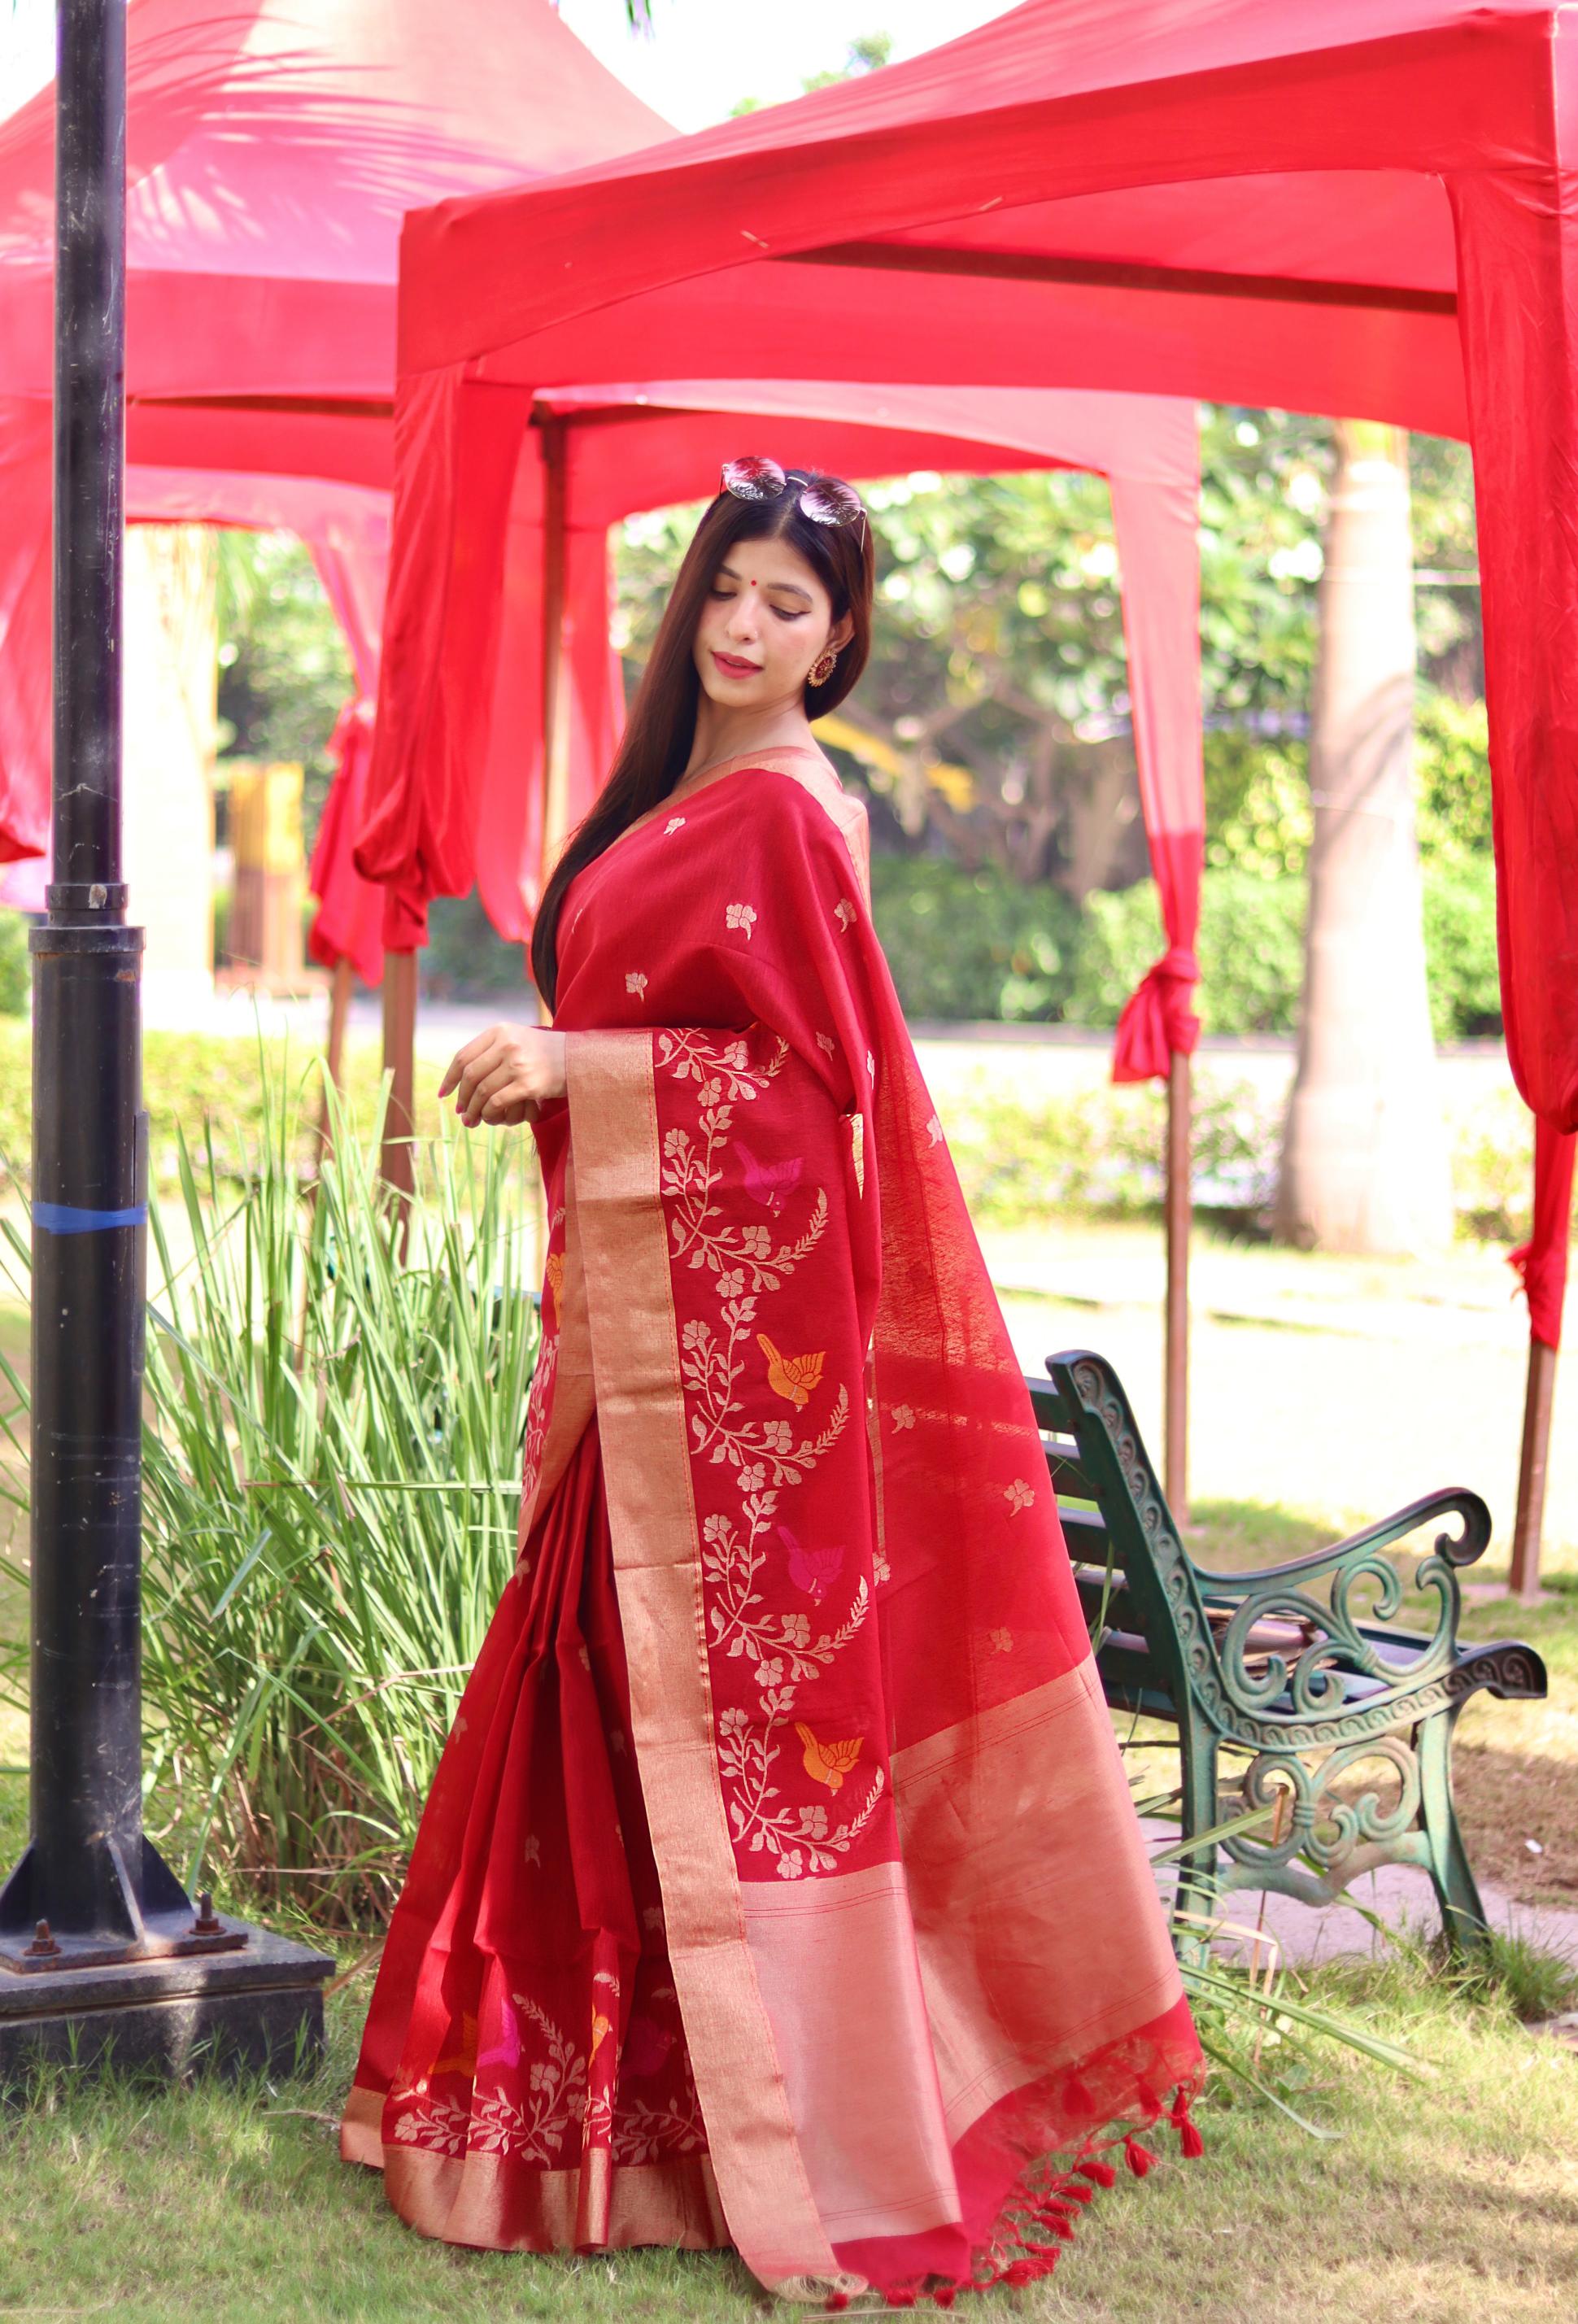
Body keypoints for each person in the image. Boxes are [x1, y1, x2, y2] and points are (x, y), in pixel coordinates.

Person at [341, 460, 1203, 2305]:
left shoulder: (796, 819)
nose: (746, 627)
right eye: (725, 590)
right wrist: (585, 1069)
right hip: (648, 1347)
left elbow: (815, 1120)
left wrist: (586, 1073)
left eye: (789, 605)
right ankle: (572, 2106)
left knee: (688, 1711)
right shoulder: (681, 793)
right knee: (586, 1679)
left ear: (841, 642)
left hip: (746, 1372)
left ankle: (702, 2118)